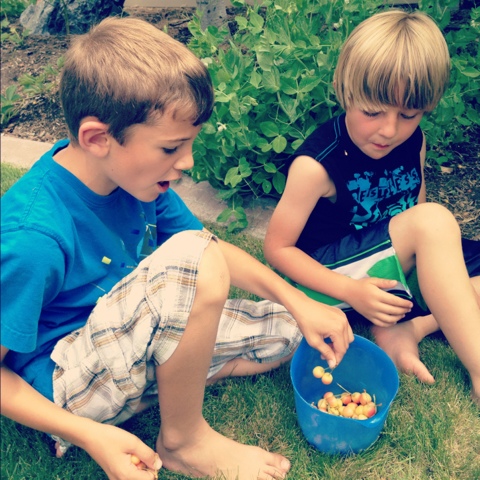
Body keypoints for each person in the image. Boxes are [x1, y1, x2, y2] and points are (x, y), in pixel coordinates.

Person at [0, 16, 355, 480]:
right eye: (172, 148)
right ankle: (184, 441)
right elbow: (199, 257)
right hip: (69, 384)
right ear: (98, 139)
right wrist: (88, 435)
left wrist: (299, 301)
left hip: (132, 339)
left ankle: (162, 383)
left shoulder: (135, 178)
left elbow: (212, 250)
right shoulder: (33, 237)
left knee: (288, 331)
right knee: (193, 259)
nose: (186, 162)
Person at [264, 10, 480, 405]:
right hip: (329, 279)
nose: (389, 130)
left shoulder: (413, 141)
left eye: (408, 115)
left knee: (438, 234)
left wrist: (429, 270)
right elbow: (277, 249)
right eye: (373, 112)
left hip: (386, 267)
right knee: (434, 223)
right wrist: (350, 290)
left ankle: (410, 327)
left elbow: (413, 210)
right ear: (345, 91)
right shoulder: (316, 165)